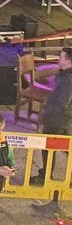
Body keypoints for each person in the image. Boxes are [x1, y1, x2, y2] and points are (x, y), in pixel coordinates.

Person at [32, 47, 72, 186]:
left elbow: (63, 102)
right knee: (66, 148)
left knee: (49, 148)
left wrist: (48, 109)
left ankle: (45, 177)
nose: (58, 59)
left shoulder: (68, 79)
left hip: (58, 119)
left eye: (61, 57)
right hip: (64, 119)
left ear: (68, 60)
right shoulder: (65, 75)